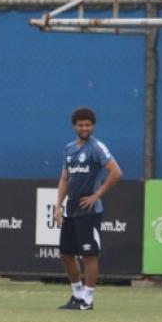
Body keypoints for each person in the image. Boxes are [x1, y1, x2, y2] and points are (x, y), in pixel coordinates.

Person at [52, 106, 123, 311]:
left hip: (89, 211)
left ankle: (88, 299)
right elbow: (65, 178)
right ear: (74, 126)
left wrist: (97, 195)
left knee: (89, 255)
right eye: (81, 124)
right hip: (71, 210)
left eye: (88, 125)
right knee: (66, 254)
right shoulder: (69, 149)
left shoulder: (96, 148)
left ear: (93, 126)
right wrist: (58, 206)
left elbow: (116, 172)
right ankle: (76, 295)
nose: (85, 128)